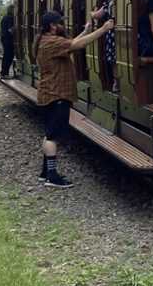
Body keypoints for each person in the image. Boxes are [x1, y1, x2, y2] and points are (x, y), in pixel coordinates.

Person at [34, 10, 114, 188]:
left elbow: (71, 43)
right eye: (60, 23)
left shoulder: (46, 40)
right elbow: (76, 45)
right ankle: (52, 177)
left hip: (51, 94)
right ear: (53, 26)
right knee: (52, 137)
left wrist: (86, 30)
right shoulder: (51, 42)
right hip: (57, 94)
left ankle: (45, 172)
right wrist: (103, 29)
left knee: (50, 134)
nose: (63, 25)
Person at [0, 5, 15, 79]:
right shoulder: (10, 18)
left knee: (6, 56)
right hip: (8, 39)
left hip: (4, 38)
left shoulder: (4, 17)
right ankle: (4, 73)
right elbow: (10, 30)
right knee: (8, 56)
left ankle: (4, 73)